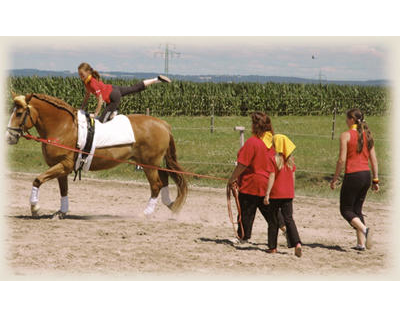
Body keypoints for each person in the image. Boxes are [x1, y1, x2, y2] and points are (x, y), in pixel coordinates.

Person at [330, 108, 379, 251]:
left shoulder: (345, 135)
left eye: (347, 118)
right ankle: (361, 244)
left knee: (346, 210)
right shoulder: (367, 135)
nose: (345, 121)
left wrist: (335, 179)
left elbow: (341, 160)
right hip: (366, 175)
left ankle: (365, 230)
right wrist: (375, 180)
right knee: (357, 209)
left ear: (351, 119)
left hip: (353, 175)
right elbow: (374, 160)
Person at [227, 112, 275, 244]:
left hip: (251, 183)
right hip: (267, 183)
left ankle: (243, 236)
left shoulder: (252, 142)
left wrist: (232, 179)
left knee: (246, 211)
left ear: (255, 126)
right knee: (271, 213)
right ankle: (286, 231)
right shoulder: (271, 142)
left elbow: (243, 164)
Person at [78, 62, 171, 123]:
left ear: (88, 72)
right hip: (113, 89)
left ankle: (114, 112)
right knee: (134, 88)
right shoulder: (87, 82)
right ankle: (156, 79)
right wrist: (81, 108)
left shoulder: (92, 82)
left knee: (102, 121)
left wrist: (95, 114)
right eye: (79, 74)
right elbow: (87, 95)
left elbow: (100, 100)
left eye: (82, 74)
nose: (80, 76)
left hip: (113, 98)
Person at [264, 134, 302, 257]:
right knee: (289, 219)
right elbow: (293, 176)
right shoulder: (291, 160)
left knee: (273, 220)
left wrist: (267, 194)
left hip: (276, 194)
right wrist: (292, 191)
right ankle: (297, 243)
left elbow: (271, 176)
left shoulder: (273, 159)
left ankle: (272, 247)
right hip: (288, 194)